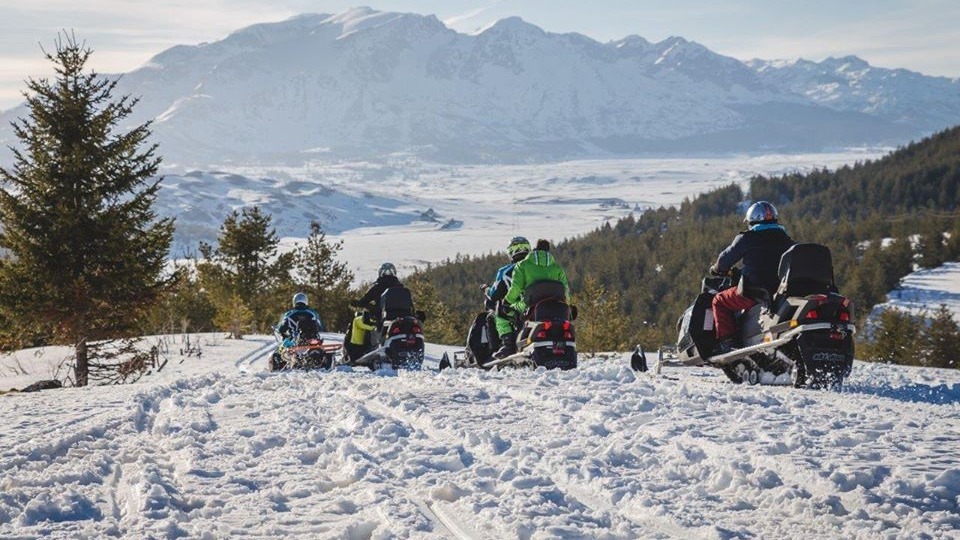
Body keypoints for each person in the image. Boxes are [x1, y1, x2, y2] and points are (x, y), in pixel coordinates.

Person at [709, 201, 795, 356]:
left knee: (719, 301)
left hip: (754, 292)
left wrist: (716, 269)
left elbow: (725, 260)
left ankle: (727, 343)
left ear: (751, 221)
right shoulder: (786, 239)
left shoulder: (747, 238)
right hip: (780, 292)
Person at [498, 239, 570, 358]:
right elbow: (566, 290)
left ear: (534, 249)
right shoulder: (557, 267)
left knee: (500, 314)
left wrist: (506, 302)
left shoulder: (522, 265)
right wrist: (567, 308)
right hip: (556, 306)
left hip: (529, 305)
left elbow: (516, 288)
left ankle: (508, 346)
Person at [483, 236, 531, 360]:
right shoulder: (536, 268)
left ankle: (506, 345)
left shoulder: (505, 271)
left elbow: (494, 294)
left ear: (511, 252)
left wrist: (486, 289)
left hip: (519, 309)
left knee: (496, 313)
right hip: (537, 305)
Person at [272, 292, 325, 370]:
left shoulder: (289, 314)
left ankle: (279, 365)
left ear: (294, 301)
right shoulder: (313, 313)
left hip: (295, 341)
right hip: (312, 340)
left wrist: (279, 330)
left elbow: (281, 328)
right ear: (306, 301)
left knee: (280, 349)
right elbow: (320, 327)